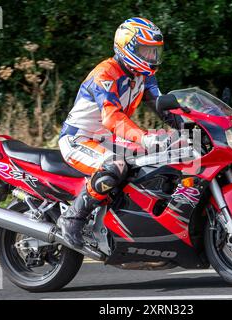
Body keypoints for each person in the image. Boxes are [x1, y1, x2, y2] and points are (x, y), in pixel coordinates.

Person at [58, 17, 173, 249]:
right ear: (127, 48)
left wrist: (190, 123)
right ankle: (72, 218)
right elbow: (111, 117)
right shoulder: (105, 74)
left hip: (107, 139)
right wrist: (143, 137)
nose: (152, 57)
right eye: (146, 51)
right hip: (79, 139)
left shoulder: (144, 76)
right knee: (115, 166)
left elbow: (162, 105)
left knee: (159, 156)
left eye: (154, 52)